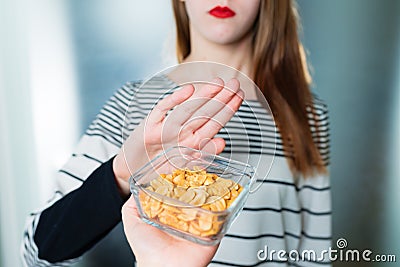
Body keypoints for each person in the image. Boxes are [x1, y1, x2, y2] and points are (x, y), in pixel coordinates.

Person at [22, 0, 331, 266]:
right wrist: (122, 171)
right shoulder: (136, 104)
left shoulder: (308, 115)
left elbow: (314, 254)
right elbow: (37, 251)